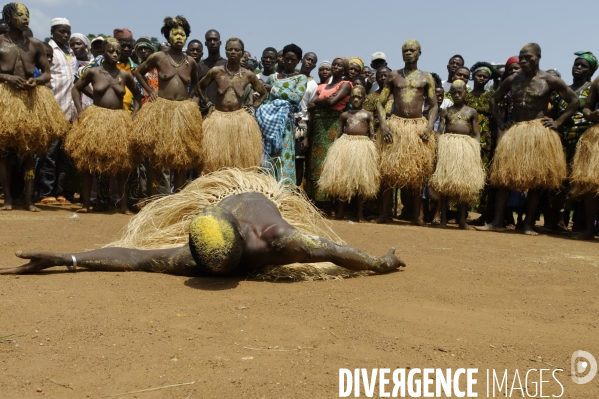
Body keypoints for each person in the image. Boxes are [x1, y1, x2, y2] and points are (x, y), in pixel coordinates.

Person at [0, 169, 405, 277]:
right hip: (221, 198)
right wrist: (65, 258)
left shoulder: (281, 239)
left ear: (247, 244)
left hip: (259, 191)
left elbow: (335, 251)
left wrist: (378, 262)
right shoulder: (196, 255)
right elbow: (132, 255)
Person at [478, 43, 578, 236]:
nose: (523, 61)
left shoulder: (550, 80)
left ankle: (529, 224)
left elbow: (574, 101)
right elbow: (494, 100)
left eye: (528, 57)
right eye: (521, 57)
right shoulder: (513, 80)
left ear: (538, 57)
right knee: (504, 178)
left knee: (535, 181)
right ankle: (497, 221)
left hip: (537, 132)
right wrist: (500, 122)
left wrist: (558, 122)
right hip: (515, 131)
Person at [0, 2, 69, 212]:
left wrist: (37, 82)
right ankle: (9, 199)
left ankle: (29, 199)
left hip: (30, 99)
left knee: (29, 152)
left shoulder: (36, 45)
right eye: (20, 15)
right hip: (5, 98)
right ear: (9, 17)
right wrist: (6, 77)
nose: (25, 19)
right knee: (3, 152)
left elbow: (47, 72)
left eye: (27, 15)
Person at [64, 37, 142, 214]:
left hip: (119, 120)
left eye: (117, 51)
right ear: (103, 52)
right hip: (97, 118)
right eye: (110, 51)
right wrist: (81, 110)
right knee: (89, 163)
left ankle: (122, 206)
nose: (114, 54)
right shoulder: (94, 72)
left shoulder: (125, 75)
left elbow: (138, 95)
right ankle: (86, 204)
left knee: (122, 163)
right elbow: (76, 88)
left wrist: (134, 116)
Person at [134, 16, 202, 194]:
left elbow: (195, 83)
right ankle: (152, 200)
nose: (179, 37)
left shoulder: (190, 62)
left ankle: (176, 200)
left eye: (182, 34)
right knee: (156, 157)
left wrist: (189, 98)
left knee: (180, 159)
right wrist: (150, 91)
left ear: (186, 37)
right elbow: (139, 72)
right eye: (175, 34)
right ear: (168, 36)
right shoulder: (159, 57)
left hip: (182, 112)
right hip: (161, 109)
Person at [375, 40, 438, 225]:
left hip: (417, 127)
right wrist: (385, 126)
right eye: (405, 50)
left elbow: (434, 106)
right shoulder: (394, 76)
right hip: (395, 126)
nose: (408, 53)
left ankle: (417, 216)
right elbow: (380, 102)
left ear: (419, 53)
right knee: (388, 171)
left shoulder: (426, 77)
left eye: (412, 50)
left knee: (418, 172)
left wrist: (429, 126)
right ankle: (385, 213)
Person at [197, 37, 267, 173]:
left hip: (240, 120)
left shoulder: (248, 75)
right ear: (226, 51)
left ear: (242, 53)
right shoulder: (216, 71)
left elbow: (263, 93)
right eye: (230, 49)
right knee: (216, 160)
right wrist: (209, 103)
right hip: (218, 119)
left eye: (236, 50)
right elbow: (200, 87)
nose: (233, 52)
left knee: (239, 160)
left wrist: (253, 107)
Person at [547, 51, 598, 234]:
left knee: (578, 182)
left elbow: (588, 109)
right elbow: (553, 114)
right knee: (559, 179)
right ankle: (555, 221)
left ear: (590, 70)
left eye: (583, 66)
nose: (578, 67)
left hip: (583, 140)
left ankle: (578, 223)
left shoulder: (591, 87)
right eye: (576, 64)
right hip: (561, 139)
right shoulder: (564, 89)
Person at [318, 85, 380, 222]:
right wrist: (334, 150)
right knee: (343, 180)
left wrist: (373, 151)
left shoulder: (368, 115)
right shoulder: (344, 115)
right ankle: (340, 211)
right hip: (345, 146)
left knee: (360, 182)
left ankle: (359, 214)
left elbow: (372, 134)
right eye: (354, 97)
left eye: (359, 97)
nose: (356, 99)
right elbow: (338, 133)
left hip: (362, 147)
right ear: (350, 98)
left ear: (364, 98)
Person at [431, 80, 485, 229]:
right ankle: (443, 219)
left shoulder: (471, 112)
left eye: (460, 92)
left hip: (465, 148)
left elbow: (476, 133)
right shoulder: (446, 111)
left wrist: (475, 150)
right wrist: (440, 146)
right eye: (454, 92)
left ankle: (462, 220)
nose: (457, 95)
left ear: (465, 93)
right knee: (445, 185)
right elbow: (439, 130)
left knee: (463, 186)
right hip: (448, 148)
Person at [36, 17, 76, 206]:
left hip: (70, 111)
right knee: (50, 155)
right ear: (52, 32)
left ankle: (60, 192)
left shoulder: (70, 52)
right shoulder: (48, 50)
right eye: (62, 31)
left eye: (68, 31)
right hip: (54, 108)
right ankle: (46, 192)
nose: (66, 35)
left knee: (64, 156)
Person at [255, 44, 307, 185]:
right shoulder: (273, 77)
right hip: (270, 124)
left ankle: (284, 196)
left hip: (286, 126)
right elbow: (267, 100)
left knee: (285, 158)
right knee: (269, 159)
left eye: (293, 59)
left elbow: (296, 97)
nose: (289, 62)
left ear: (298, 61)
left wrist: (273, 88)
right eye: (287, 58)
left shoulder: (300, 79)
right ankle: (267, 190)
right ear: (282, 59)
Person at [305, 57, 352, 213]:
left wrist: (320, 101)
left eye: (340, 65)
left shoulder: (345, 84)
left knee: (330, 163)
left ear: (345, 70)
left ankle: (328, 204)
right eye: (334, 64)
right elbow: (309, 106)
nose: (336, 67)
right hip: (318, 125)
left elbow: (333, 102)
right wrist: (324, 100)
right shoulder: (323, 86)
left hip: (333, 125)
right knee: (315, 164)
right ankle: (317, 201)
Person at [465, 61, 495, 223]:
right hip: (468, 139)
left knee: (483, 175)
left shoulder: (491, 96)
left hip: (486, 140)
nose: (482, 78)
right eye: (479, 75)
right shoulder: (466, 96)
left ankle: (483, 214)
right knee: (467, 173)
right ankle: (463, 212)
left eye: (485, 76)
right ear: (473, 76)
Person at [571, 73, 599, 240]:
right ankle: (589, 229)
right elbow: (586, 108)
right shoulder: (597, 81)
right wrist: (591, 114)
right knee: (591, 185)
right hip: (596, 138)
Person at [295, 51, 318, 185]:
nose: (309, 62)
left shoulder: (313, 85)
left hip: (302, 124)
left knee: (298, 160)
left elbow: (311, 111)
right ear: (301, 60)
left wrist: (307, 136)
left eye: (312, 61)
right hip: (285, 121)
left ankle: (295, 193)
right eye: (307, 59)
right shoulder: (290, 77)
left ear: (314, 66)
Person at [197, 29, 227, 114]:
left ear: (220, 43)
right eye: (209, 40)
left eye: (215, 39)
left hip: (224, 113)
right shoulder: (200, 66)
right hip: (204, 113)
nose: (212, 42)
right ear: (206, 43)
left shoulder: (228, 65)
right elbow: (196, 92)